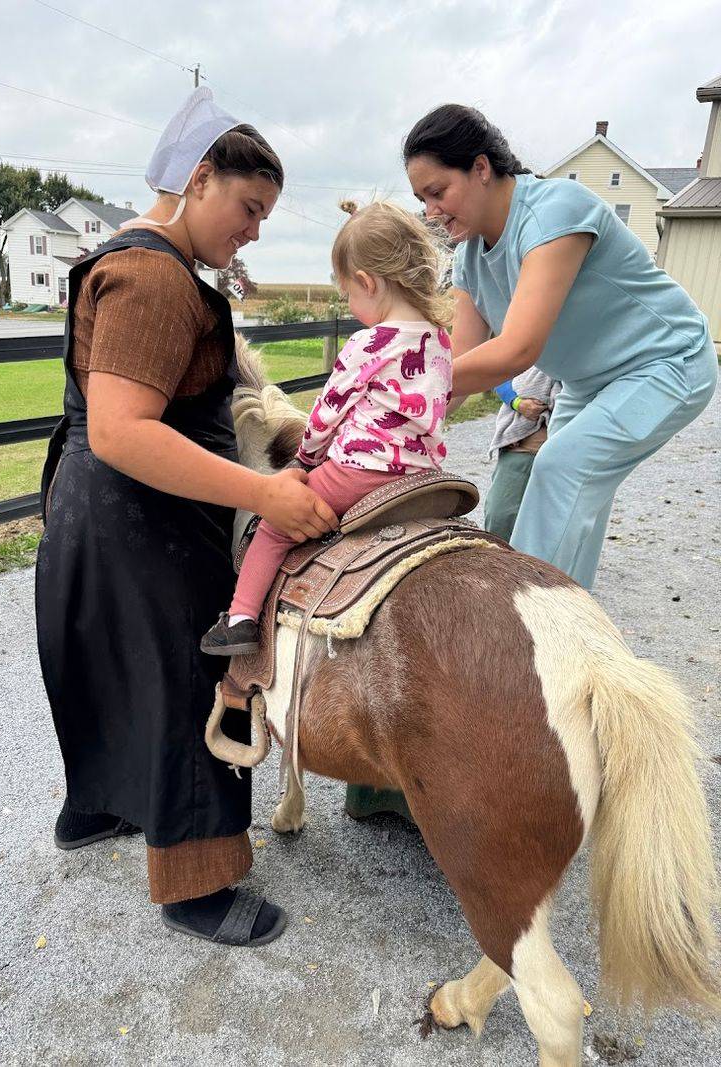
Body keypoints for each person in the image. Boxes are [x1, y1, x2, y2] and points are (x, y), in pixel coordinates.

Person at [35, 88, 338, 947]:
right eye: (249, 207)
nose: (254, 231)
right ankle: (198, 886)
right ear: (200, 178)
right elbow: (124, 430)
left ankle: (96, 807)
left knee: (107, 665)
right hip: (142, 522)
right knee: (186, 679)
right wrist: (266, 493)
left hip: (94, 512)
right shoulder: (153, 278)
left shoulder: (132, 264)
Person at [404, 105, 718, 589]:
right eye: (422, 199)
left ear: (481, 168)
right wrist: (400, 426)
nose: (430, 212)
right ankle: (570, 616)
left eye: (437, 192)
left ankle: (522, 619)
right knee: (571, 505)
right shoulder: (469, 258)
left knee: (559, 468)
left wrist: (399, 390)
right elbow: (460, 366)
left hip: (667, 362)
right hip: (585, 384)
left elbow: (518, 349)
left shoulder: (555, 211)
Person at [201, 201, 453, 654]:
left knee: (273, 526)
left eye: (349, 294)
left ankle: (240, 618)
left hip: (360, 471)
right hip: (422, 475)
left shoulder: (370, 342)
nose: (351, 306)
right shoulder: (439, 340)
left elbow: (327, 412)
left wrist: (305, 459)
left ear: (367, 283)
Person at [484, 368, 560, 542]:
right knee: (500, 518)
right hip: (521, 449)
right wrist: (517, 402)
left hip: (555, 449)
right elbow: (499, 374)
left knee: (548, 526)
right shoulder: (526, 357)